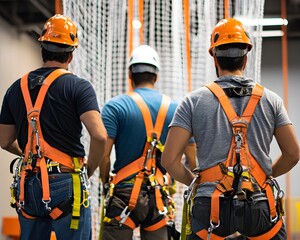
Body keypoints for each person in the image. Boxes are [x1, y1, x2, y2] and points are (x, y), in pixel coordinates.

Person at [161, 18, 300, 239]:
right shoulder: (271, 100)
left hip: (210, 205)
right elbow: (293, 154)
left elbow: (168, 160)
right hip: (259, 200)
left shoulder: (193, 101)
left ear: (214, 57)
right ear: (245, 59)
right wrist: (264, 174)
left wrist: (195, 182)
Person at [0, 14, 107, 240]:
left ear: (42, 48)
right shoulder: (78, 87)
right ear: (71, 54)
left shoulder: (14, 89)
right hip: (66, 183)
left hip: (29, 185)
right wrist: (88, 171)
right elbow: (99, 136)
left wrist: (30, 156)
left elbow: (4, 140)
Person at [99, 44, 196, 240]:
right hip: (158, 196)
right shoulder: (177, 109)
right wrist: (172, 178)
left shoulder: (115, 107)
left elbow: (104, 155)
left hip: (123, 194)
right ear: (156, 76)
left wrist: (105, 180)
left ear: (130, 74)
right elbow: (193, 160)